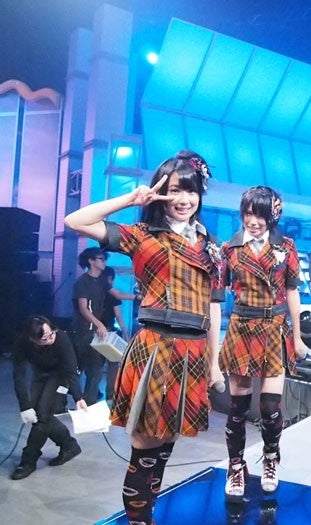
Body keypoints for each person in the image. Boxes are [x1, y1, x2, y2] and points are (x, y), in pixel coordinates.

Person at [64, 151, 224, 525]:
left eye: (190, 191)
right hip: (156, 346)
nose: (183, 199)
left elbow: (213, 308)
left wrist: (214, 363)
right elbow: (75, 220)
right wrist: (131, 199)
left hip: (193, 350)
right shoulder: (142, 236)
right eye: (174, 190)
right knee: (145, 448)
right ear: (159, 193)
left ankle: (146, 517)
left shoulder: (211, 246)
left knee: (166, 444)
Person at [218, 186, 308, 499]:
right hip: (242, 327)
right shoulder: (229, 248)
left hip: (274, 327)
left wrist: (297, 336)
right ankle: (235, 466)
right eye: (248, 214)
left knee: (270, 407)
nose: (253, 221)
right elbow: (219, 292)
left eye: (260, 215)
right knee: (237, 408)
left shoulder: (287, 246)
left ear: (273, 216)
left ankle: (271, 458)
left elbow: (292, 292)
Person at [10, 316, 88, 480]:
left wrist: (78, 397)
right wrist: (25, 406)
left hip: (61, 375)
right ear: (33, 339)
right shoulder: (22, 343)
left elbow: (70, 369)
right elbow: (19, 376)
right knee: (37, 414)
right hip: (41, 373)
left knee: (43, 416)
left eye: (51, 333)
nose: (51, 338)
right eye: (45, 338)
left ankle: (28, 461)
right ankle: (69, 445)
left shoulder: (61, 338)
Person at [71, 248, 136, 405]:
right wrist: (99, 324)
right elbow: (83, 308)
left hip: (96, 331)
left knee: (95, 371)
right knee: (87, 369)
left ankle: (89, 402)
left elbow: (117, 295)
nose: (104, 262)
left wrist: (138, 296)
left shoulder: (101, 280)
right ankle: (81, 401)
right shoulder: (82, 282)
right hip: (84, 330)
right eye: (101, 259)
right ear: (91, 261)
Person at [100, 266, 132, 401]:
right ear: (110, 278)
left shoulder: (95, 290)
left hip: (94, 331)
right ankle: (110, 395)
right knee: (113, 363)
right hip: (109, 333)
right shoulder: (113, 295)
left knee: (95, 366)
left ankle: (92, 393)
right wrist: (126, 334)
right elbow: (118, 316)